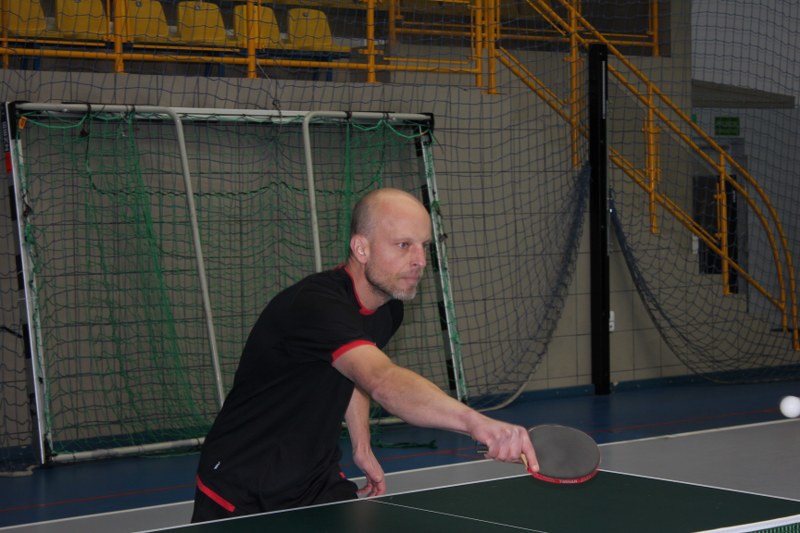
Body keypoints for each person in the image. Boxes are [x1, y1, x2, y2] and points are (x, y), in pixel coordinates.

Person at [191, 187, 538, 522]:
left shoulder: (388, 308)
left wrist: (361, 444)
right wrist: (476, 423)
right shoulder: (317, 305)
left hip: (313, 477)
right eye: (403, 245)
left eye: (424, 246)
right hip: (243, 480)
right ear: (361, 248)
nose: (420, 261)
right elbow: (381, 379)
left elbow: (354, 372)